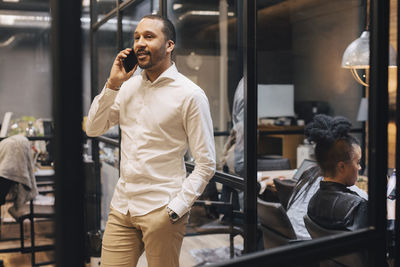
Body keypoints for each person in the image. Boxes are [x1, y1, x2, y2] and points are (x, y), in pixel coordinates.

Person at [86, 14, 216, 267]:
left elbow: (206, 163)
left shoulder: (190, 95)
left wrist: (176, 208)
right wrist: (112, 84)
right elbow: (93, 127)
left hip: (162, 209)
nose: (139, 43)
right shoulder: (126, 87)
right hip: (122, 207)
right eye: (136, 38)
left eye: (148, 36)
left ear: (169, 45)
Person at [305, 114, 368, 231]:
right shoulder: (357, 207)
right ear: (341, 167)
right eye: (358, 162)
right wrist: (390, 211)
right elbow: (384, 242)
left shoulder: (313, 201)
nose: (359, 168)